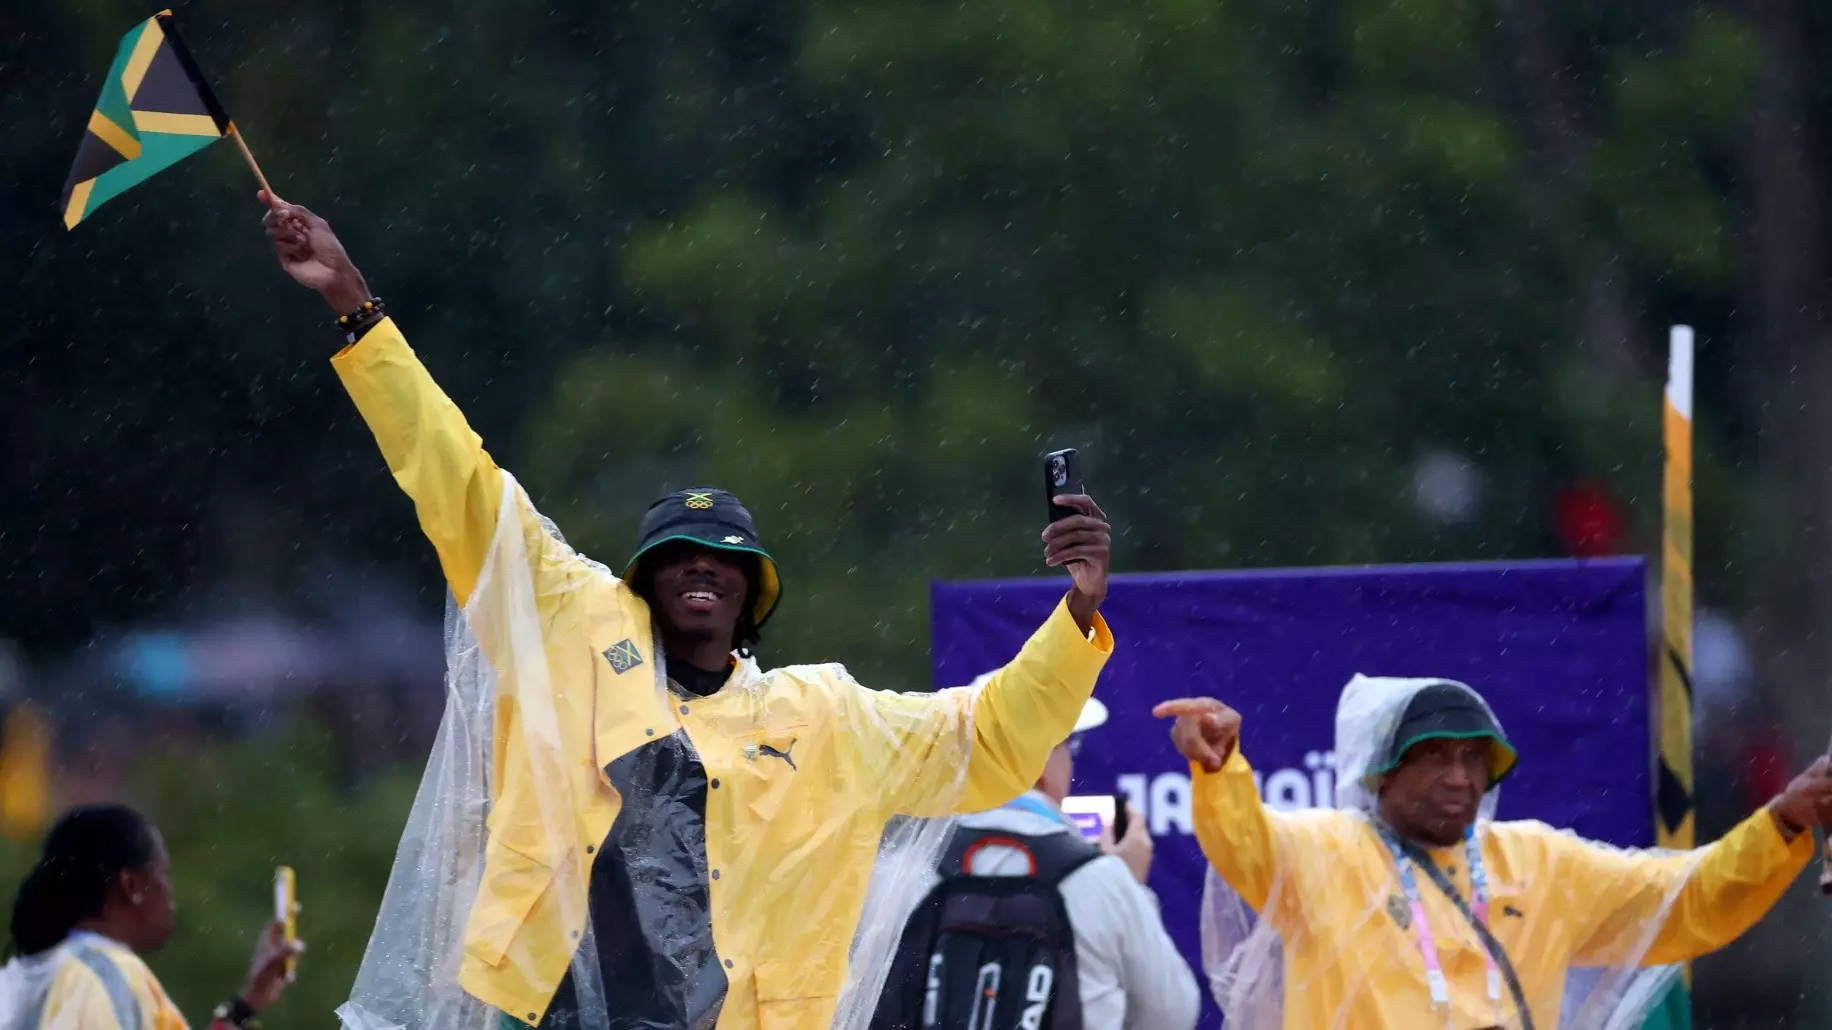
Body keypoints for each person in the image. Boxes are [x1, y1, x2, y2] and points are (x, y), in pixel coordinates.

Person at [255, 193, 1117, 1030]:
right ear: (642, 579)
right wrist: (353, 303)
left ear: (754, 591)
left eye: (726, 558)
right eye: (677, 555)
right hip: (554, 1011)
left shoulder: (824, 718)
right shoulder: (571, 621)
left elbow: (989, 733)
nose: (701, 567)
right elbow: (456, 476)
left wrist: (1079, 609)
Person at [1153, 676, 1832, 1030]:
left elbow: (1685, 898)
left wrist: (1781, 821)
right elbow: (1245, 841)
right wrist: (1221, 769)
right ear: (1381, 773)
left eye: (1474, 758)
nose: (1459, 777)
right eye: (1434, 758)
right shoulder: (1327, 851)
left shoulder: (1536, 863)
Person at [875, 692, 1200, 1030]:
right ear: (1040, 765)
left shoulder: (901, 869)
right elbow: (1172, 1014)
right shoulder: (1101, 879)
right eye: (1067, 747)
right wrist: (1132, 886)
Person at [0, 804, 300, 1030]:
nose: (170, 892)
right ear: (131, 886)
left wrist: (250, 1000)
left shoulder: (36, 975)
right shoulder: (106, 976)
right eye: (163, 875)